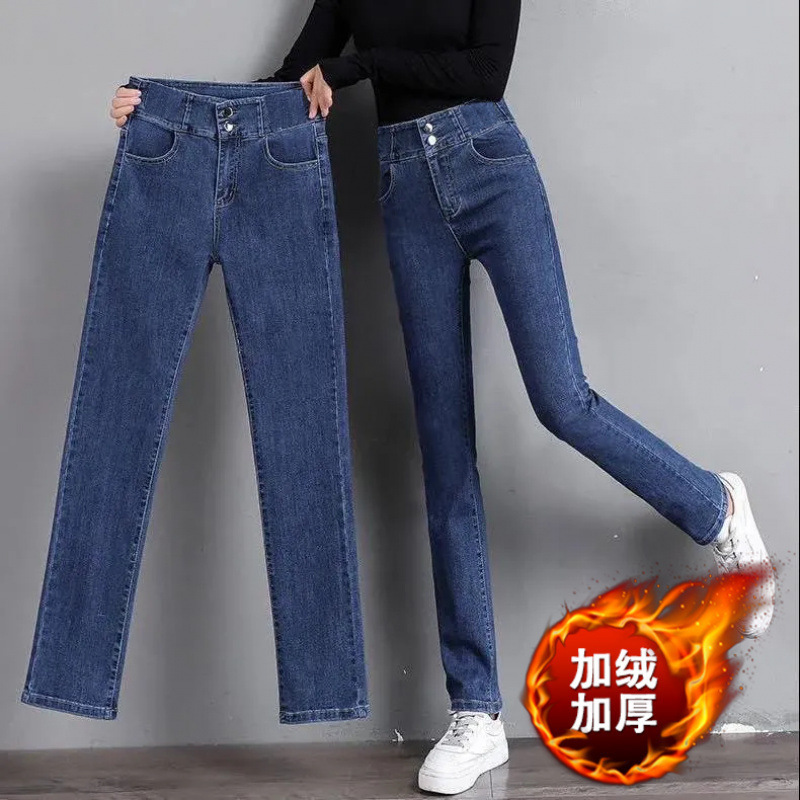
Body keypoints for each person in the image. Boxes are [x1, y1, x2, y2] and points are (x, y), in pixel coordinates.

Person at [109, 1, 776, 794]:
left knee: (562, 399)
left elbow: (485, 71)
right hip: (403, 188)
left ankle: (713, 507)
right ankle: (476, 713)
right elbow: (286, 87)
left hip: (489, 163)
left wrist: (359, 68)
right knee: (444, 454)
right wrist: (164, 114)